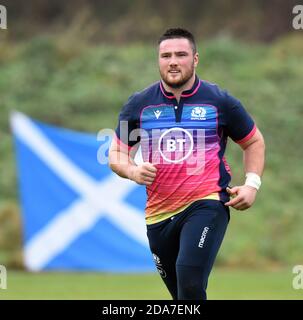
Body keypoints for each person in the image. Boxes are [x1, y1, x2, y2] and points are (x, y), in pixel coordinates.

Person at [108, 28, 265, 300]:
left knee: (189, 280)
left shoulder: (219, 101)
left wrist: (252, 184)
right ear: (158, 60)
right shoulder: (139, 105)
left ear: (195, 59)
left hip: (207, 203)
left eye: (181, 54)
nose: (173, 61)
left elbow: (253, 142)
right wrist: (132, 170)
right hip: (158, 215)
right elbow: (116, 154)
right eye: (165, 55)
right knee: (184, 297)